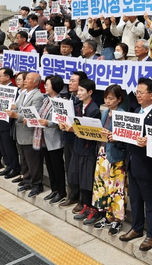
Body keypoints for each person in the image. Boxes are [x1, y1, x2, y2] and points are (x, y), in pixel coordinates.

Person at [118, 78, 152, 252]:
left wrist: (149, 142)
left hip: (147, 165)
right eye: (137, 92)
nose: (137, 95)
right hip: (132, 161)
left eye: (141, 92)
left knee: (151, 201)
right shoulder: (135, 111)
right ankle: (137, 228)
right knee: (135, 198)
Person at [59, 78, 101, 223]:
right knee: (78, 177)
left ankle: (90, 207)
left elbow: (91, 131)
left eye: (82, 90)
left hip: (88, 150)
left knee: (87, 180)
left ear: (90, 92)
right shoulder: (77, 106)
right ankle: (83, 204)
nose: (79, 93)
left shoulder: (94, 109)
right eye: (79, 90)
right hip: (77, 147)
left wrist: (74, 129)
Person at [91, 84, 128, 235]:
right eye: (106, 98)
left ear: (119, 99)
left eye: (111, 98)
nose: (107, 101)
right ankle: (108, 216)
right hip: (102, 153)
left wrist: (115, 139)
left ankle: (117, 220)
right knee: (104, 186)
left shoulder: (123, 115)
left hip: (116, 156)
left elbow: (126, 139)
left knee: (117, 189)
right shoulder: (105, 112)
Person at [7, 72, 45, 197]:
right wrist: (11, 111)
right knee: (24, 159)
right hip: (20, 131)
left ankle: (37, 184)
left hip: (30, 133)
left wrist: (16, 115)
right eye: (26, 78)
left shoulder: (38, 96)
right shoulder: (23, 93)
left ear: (36, 83)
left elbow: (34, 115)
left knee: (33, 161)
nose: (25, 80)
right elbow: (17, 109)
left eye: (29, 79)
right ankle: (27, 181)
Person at [36, 75, 67, 205]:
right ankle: (54, 189)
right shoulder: (46, 100)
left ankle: (61, 192)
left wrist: (48, 122)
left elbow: (61, 119)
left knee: (57, 166)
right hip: (44, 138)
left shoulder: (61, 101)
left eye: (47, 85)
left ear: (54, 87)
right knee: (49, 165)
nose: (45, 87)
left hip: (55, 139)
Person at [0, 68, 20, 179]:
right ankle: (8, 165)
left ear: (8, 77)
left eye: (0, 76)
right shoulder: (2, 88)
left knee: (9, 146)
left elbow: (15, 106)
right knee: (3, 146)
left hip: (8, 122)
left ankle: (15, 167)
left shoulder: (14, 89)